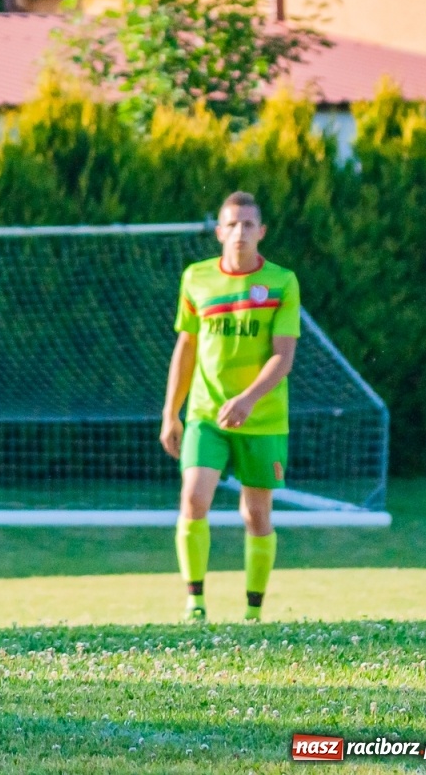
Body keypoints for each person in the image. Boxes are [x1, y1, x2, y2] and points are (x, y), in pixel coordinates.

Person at [160, 191, 300, 623]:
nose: (240, 232)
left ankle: (253, 611)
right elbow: (185, 347)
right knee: (193, 499)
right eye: (232, 224)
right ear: (219, 231)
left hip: (263, 419)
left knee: (255, 514)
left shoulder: (282, 282)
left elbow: (284, 356)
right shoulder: (197, 279)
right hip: (206, 415)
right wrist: (171, 412)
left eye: (248, 224)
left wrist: (247, 399)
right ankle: (195, 603)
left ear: (262, 232)